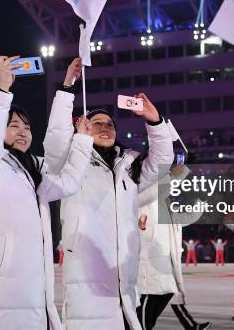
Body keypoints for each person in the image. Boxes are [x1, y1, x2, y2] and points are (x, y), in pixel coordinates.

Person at [0, 56, 94, 330]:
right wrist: (3, 91)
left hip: (33, 293)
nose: (23, 132)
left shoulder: (33, 170)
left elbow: (69, 183)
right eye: (14, 126)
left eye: (27, 127)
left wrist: (81, 140)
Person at [43, 58, 174, 329]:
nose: (105, 127)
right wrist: (67, 87)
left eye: (110, 124)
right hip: (86, 278)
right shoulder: (71, 159)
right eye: (97, 123)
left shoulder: (128, 164)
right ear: (83, 127)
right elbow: (56, 138)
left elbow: (163, 162)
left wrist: (155, 121)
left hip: (124, 281)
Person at [136, 162, 212, 330]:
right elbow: (156, 191)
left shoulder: (167, 210)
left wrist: (202, 201)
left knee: (166, 296)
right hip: (148, 263)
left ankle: (189, 326)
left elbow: (186, 217)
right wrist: (181, 171)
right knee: (149, 301)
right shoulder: (143, 198)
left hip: (166, 263)